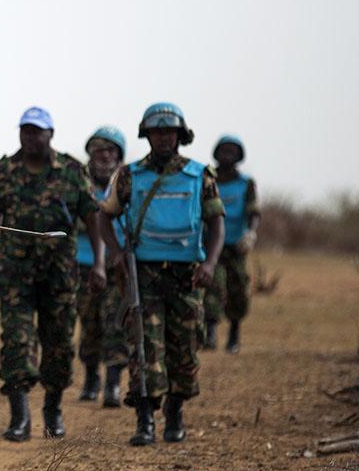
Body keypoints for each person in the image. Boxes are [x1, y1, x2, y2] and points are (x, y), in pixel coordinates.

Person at [0, 107, 105, 441]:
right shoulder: (3, 172)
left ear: (50, 134)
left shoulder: (72, 172)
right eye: (25, 130)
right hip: (15, 274)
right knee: (17, 342)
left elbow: (93, 219)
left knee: (58, 344)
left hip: (59, 275)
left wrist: (99, 263)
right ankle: (19, 417)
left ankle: (53, 410)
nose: (30, 137)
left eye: (37, 131)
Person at [98, 103, 225, 446]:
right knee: (144, 346)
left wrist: (210, 264)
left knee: (184, 348)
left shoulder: (200, 176)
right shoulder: (130, 175)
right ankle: (145, 420)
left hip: (187, 276)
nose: (164, 138)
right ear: (147, 135)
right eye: (157, 132)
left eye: (170, 132)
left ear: (180, 135)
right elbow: (104, 216)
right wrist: (116, 253)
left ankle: (175, 411)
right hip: (144, 275)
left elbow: (217, 224)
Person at [75, 126, 129, 407]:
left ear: (119, 155)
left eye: (110, 150)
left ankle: (113, 384)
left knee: (116, 322)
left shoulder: (128, 184)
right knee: (89, 322)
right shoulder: (77, 184)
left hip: (118, 267)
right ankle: (91, 378)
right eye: (99, 150)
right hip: (82, 265)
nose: (104, 155)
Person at [202, 135, 259, 353]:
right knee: (212, 285)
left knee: (238, 289)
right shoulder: (207, 179)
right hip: (211, 246)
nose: (227, 155)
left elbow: (254, 211)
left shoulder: (246, 184)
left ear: (239, 155)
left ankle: (234, 334)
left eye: (232, 151)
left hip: (236, 246)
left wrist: (251, 234)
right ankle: (210, 333)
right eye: (223, 150)